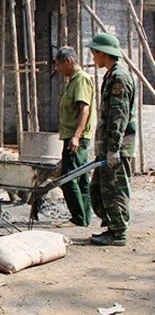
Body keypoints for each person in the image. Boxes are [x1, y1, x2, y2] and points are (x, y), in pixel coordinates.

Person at [87, 33, 136, 246]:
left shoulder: (120, 78)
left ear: (103, 53)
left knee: (114, 189)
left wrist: (114, 148)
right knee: (98, 189)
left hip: (117, 147)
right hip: (107, 146)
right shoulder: (111, 76)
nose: (93, 57)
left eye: (94, 52)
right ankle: (110, 225)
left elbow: (119, 115)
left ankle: (118, 233)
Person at [54, 46, 96, 228]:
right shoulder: (73, 80)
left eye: (59, 65)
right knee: (80, 178)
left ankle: (78, 218)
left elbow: (84, 109)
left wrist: (76, 136)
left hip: (75, 136)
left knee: (68, 178)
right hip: (73, 135)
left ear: (68, 61)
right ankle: (84, 218)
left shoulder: (81, 80)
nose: (58, 69)